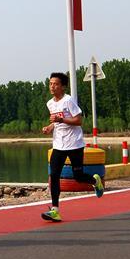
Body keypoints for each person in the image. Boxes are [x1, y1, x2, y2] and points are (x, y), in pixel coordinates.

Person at [41, 71, 104, 222]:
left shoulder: (68, 101)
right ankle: (55, 210)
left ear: (63, 86)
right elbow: (56, 122)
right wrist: (50, 127)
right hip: (58, 145)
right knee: (54, 176)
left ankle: (96, 181)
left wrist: (61, 120)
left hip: (74, 143)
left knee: (78, 176)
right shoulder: (50, 103)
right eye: (50, 83)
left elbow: (78, 120)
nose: (52, 86)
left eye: (55, 84)